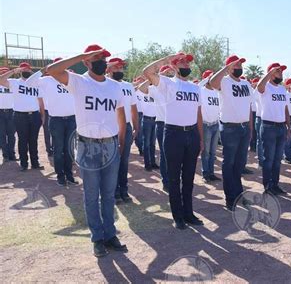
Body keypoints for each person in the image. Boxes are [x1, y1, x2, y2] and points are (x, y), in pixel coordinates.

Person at [47, 44, 127, 257]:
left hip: (110, 144)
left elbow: (120, 115)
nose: (101, 61)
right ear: (87, 62)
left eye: (103, 57)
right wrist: (81, 54)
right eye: (96, 57)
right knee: (91, 194)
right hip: (87, 145)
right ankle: (97, 238)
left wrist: (120, 140)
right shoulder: (78, 81)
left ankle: (110, 234)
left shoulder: (114, 86)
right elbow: (52, 70)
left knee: (109, 194)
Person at [143, 52, 204, 229]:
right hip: (173, 134)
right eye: (183, 63)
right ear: (175, 66)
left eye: (188, 63)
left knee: (189, 177)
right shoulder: (168, 84)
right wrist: (166, 60)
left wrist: (200, 138)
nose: (187, 66)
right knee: (174, 178)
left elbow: (198, 114)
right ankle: (178, 216)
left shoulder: (195, 88)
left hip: (191, 133)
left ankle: (189, 213)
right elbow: (147, 72)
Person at [209, 55, 253, 210]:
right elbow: (212, 83)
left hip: (244, 127)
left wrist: (250, 128)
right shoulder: (224, 81)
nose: (239, 67)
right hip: (229, 128)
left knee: (239, 164)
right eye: (235, 65)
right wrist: (224, 68)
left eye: (240, 64)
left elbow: (248, 106)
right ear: (228, 67)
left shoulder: (246, 83)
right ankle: (230, 198)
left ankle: (239, 194)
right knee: (229, 163)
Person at [29, 58, 77, 186]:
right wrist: (43, 70)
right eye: (57, 66)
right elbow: (29, 82)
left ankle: (69, 175)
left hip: (72, 119)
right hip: (56, 120)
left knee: (69, 150)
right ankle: (60, 176)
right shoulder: (47, 80)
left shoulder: (71, 78)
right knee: (58, 149)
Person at [107, 57, 139, 202]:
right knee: (112, 162)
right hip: (110, 128)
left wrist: (136, 126)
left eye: (121, 68)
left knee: (124, 161)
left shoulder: (128, 86)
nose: (119, 70)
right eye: (116, 67)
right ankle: (113, 192)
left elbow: (133, 108)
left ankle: (123, 190)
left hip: (125, 127)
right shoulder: (104, 84)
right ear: (109, 68)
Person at [0, 62, 44, 171]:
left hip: (34, 115)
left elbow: (40, 101)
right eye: (23, 70)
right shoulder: (14, 82)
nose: (26, 72)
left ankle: (35, 163)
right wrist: (13, 71)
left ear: (31, 71)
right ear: (20, 71)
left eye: (27, 70)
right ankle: (24, 164)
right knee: (22, 140)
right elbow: (1, 80)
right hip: (20, 116)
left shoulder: (36, 83)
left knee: (33, 140)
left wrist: (42, 116)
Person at [256, 63, 290, 194]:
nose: (280, 73)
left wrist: (288, 126)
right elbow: (259, 86)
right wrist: (269, 73)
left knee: (277, 159)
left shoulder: (282, 89)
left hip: (281, 127)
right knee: (268, 159)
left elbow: (286, 109)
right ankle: (267, 185)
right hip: (268, 126)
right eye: (278, 71)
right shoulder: (266, 87)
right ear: (270, 73)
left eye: (281, 71)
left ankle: (275, 184)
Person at [199, 70, 221, 183]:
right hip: (206, 124)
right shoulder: (201, 91)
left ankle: (211, 173)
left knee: (213, 152)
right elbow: (198, 85)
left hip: (215, 124)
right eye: (211, 78)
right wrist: (207, 79)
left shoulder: (217, 92)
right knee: (206, 152)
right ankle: (205, 173)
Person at [0, 66, 16, 162]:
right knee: (1, 135)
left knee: (11, 135)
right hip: (0, 112)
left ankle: (12, 154)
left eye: (6, 72)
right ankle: (5, 155)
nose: (4, 74)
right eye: (2, 72)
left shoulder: (12, 83)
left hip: (11, 111)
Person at [283, 78, 291, 164]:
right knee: (288, 138)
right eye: (289, 83)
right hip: (287, 116)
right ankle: (287, 156)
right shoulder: (285, 94)